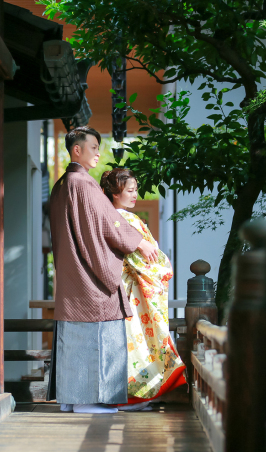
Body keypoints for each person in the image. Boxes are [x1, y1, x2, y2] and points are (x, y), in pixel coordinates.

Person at [46, 126, 158, 414]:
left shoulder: (62, 184)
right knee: (100, 333)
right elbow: (110, 223)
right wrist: (139, 243)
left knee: (73, 338)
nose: (98, 152)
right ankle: (91, 400)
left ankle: (72, 399)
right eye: (93, 147)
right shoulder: (83, 185)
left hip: (73, 275)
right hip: (89, 279)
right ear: (76, 150)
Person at [100, 168, 187, 411]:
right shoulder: (125, 219)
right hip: (133, 291)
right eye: (130, 190)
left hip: (124, 289)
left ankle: (130, 395)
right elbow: (144, 260)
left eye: (135, 189)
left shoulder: (112, 218)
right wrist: (163, 269)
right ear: (115, 193)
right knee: (136, 343)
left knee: (132, 344)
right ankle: (132, 396)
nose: (135, 194)